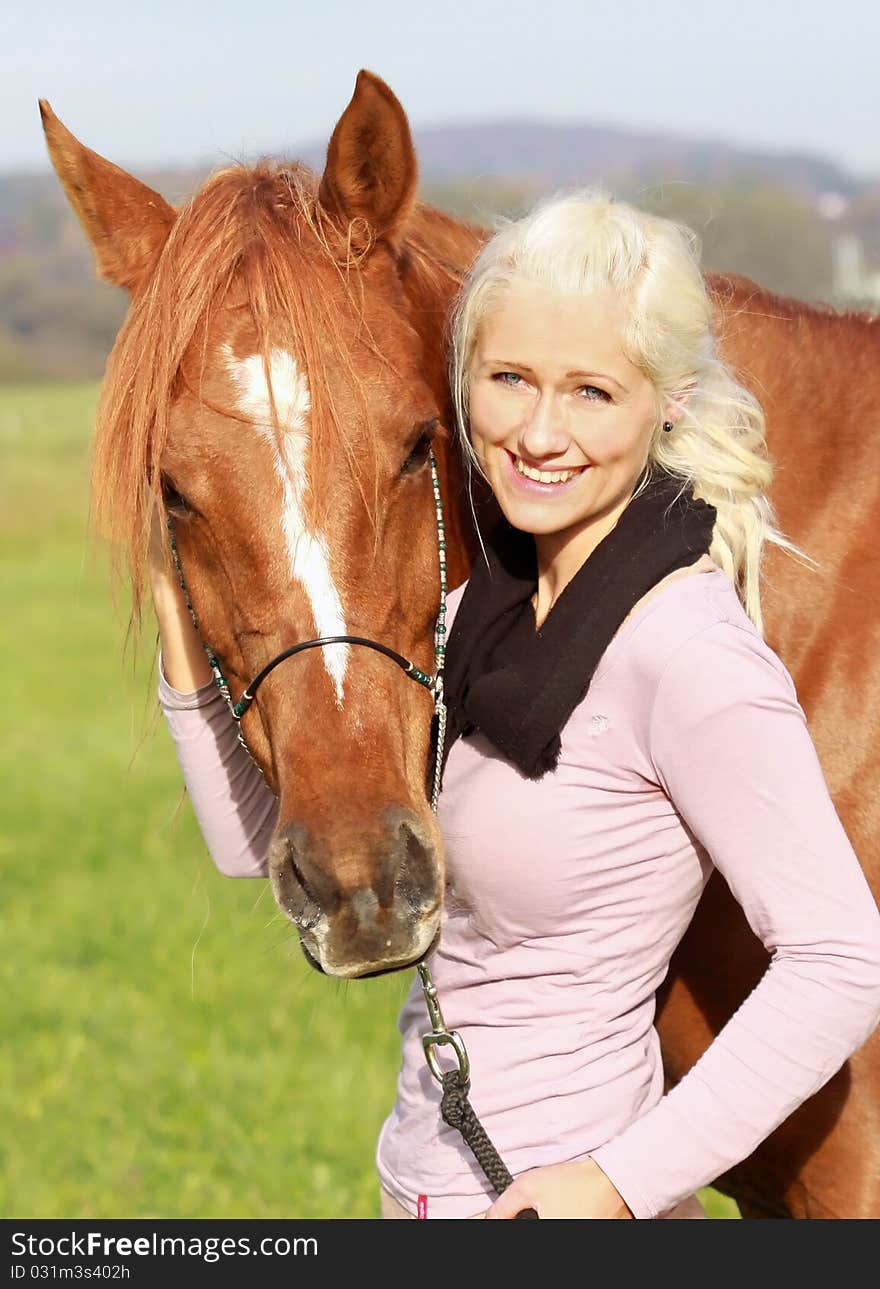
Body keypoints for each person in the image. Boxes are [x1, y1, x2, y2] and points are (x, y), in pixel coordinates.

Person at [151, 190, 880, 1220]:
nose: (538, 432)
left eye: (590, 392)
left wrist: (616, 1185)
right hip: (428, 1187)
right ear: (463, 384)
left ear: (663, 403)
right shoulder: (474, 619)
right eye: (508, 380)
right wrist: (180, 618)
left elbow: (842, 957)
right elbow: (256, 842)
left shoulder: (684, 648)